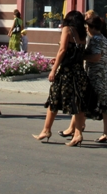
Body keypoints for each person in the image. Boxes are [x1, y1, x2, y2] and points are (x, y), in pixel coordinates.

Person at [33, 11, 89, 145]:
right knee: (78, 102)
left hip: (66, 72)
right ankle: (78, 134)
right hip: (79, 72)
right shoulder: (82, 34)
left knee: (54, 100)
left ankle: (46, 130)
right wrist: (59, 59)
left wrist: (54, 69)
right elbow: (75, 52)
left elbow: (63, 50)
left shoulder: (67, 29)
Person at [82, 15, 107, 143]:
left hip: (97, 75)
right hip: (106, 75)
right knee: (106, 104)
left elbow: (96, 57)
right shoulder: (105, 39)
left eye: (87, 27)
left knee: (86, 102)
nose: (86, 29)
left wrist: (82, 57)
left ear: (92, 27)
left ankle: (77, 130)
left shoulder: (95, 39)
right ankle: (106, 133)